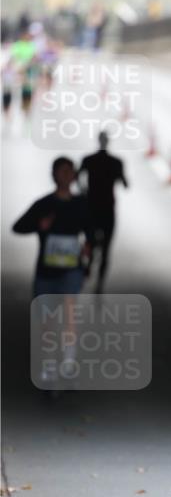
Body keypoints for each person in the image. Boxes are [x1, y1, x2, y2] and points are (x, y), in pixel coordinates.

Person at [12, 157, 93, 385]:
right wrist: (39, 225)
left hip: (71, 269)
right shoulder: (44, 205)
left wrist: (88, 248)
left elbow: (92, 232)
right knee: (47, 322)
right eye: (62, 171)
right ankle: (49, 367)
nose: (66, 175)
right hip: (46, 271)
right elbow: (18, 227)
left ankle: (68, 365)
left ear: (74, 175)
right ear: (54, 175)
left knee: (69, 314)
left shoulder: (81, 204)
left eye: (70, 171)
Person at [78, 131, 129, 292]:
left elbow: (77, 177)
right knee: (106, 248)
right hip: (108, 208)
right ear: (108, 142)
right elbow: (125, 184)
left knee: (91, 242)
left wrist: (83, 191)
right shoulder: (115, 162)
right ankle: (99, 282)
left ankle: (88, 268)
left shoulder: (89, 160)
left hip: (92, 207)